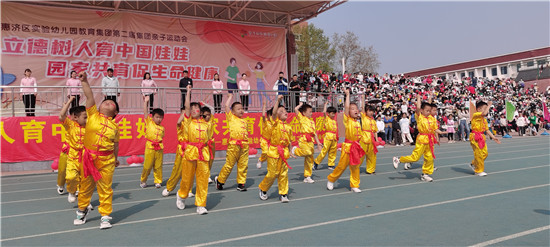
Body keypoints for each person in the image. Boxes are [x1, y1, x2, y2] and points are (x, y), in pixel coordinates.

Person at [75, 71, 120, 230]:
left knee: (105, 188)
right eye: (105, 101)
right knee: (85, 186)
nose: (107, 102)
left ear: (115, 113)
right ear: (99, 107)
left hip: (106, 161)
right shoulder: (93, 115)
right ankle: (82, 209)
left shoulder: (115, 127)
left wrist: (115, 158)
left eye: (111, 103)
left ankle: (106, 216)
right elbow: (89, 97)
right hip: (88, 158)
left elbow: (115, 146)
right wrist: (85, 81)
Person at [175, 86, 214, 215]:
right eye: (191, 109)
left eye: (196, 108)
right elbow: (186, 107)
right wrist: (188, 92)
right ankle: (181, 195)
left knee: (203, 179)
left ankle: (201, 204)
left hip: (203, 153)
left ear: (200, 110)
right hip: (191, 152)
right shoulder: (187, 122)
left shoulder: (206, 124)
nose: (193, 110)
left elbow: (212, 110)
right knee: (187, 178)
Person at [393, 94, 444, 182]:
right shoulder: (420, 117)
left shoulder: (431, 119)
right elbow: (418, 108)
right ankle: (399, 159)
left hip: (429, 140)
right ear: (422, 111)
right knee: (415, 157)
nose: (429, 112)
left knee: (429, 158)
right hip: (422, 139)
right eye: (427, 110)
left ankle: (425, 174)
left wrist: (440, 134)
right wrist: (418, 98)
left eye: (429, 110)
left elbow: (435, 129)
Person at [327, 89, 365, 193]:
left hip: (356, 147)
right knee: (341, 166)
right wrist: (347, 95)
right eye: (352, 109)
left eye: (356, 109)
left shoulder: (358, 122)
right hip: (347, 147)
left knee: (355, 167)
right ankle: (331, 179)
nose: (355, 110)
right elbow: (346, 107)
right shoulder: (347, 120)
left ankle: (354, 185)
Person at [258, 95, 295, 202]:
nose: (285, 112)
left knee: (283, 174)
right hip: (274, 152)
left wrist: (291, 151)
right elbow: (273, 113)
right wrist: (277, 101)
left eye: (286, 111)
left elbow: (289, 141)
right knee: (272, 174)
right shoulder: (275, 122)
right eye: (282, 111)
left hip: (284, 152)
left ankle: (284, 193)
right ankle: (263, 188)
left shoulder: (289, 127)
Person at [215, 93, 249, 191]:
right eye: (238, 109)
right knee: (229, 165)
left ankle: (241, 183)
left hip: (244, 145)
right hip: (233, 145)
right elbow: (226, 106)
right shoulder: (231, 117)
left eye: (242, 108)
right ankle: (220, 181)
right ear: (233, 111)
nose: (241, 110)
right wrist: (230, 97)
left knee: (243, 165)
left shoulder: (245, 121)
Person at [59, 96, 87, 203]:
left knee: (84, 180)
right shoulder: (70, 125)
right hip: (73, 155)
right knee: (71, 177)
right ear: (75, 117)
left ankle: (84, 202)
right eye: (85, 117)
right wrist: (70, 101)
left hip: (86, 156)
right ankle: (71, 191)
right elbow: (62, 116)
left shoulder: (90, 126)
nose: (87, 119)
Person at [291, 102, 323, 184]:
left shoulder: (312, 122)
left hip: (310, 141)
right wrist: (300, 105)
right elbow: (295, 109)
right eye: (309, 111)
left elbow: (314, 133)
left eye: (312, 111)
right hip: (303, 139)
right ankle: (295, 150)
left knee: (309, 158)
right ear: (304, 113)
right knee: (307, 152)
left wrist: (318, 142)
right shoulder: (302, 118)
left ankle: (307, 176)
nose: (311, 113)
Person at [469, 101, 500, 176]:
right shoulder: (475, 115)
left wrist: (493, 137)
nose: (487, 110)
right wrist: (489, 105)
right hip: (475, 136)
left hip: (482, 137)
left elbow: (486, 130)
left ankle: (474, 163)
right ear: (479, 109)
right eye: (485, 108)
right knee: (478, 154)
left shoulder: (484, 120)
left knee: (485, 154)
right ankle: (478, 171)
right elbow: (484, 113)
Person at [140, 96, 165, 189]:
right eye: (157, 117)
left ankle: (158, 181)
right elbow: (145, 112)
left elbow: (162, 137)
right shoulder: (149, 122)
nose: (159, 119)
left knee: (158, 166)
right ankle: (143, 180)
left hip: (159, 147)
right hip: (150, 147)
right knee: (147, 166)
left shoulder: (162, 128)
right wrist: (146, 102)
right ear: (153, 117)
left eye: (160, 117)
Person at [314, 102, 338, 170]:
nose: (333, 115)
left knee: (333, 152)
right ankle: (316, 162)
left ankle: (331, 164)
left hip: (334, 137)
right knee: (324, 151)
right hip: (328, 137)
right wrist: (325, 105)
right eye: (332, 113)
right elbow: (324, 112)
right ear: (329, 113)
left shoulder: (334, 121)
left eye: (334, 113)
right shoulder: (327, 119)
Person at [359, 97, 379, 175]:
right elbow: (362, 108)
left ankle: (370, 169)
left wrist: (376, 139)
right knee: (361, 155)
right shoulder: (364, 117)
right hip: (364, 138)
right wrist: (363, 99)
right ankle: (355, 167)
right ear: (366, 111)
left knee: (372, 155)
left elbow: (375, 131)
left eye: (372, 111)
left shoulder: (373, 121)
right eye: (369, 111)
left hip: (371, 140)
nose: (371, 113)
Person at [257, 102, 273, 169]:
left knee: (270, 155)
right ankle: (260, 160)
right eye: (270, 115)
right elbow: (263, 115)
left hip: (271, 141)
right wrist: (264, 106)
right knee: (265, 152)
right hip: (264, 141)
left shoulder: (275, 123)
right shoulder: (266, 122)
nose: (271, 117)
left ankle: (270, 167)